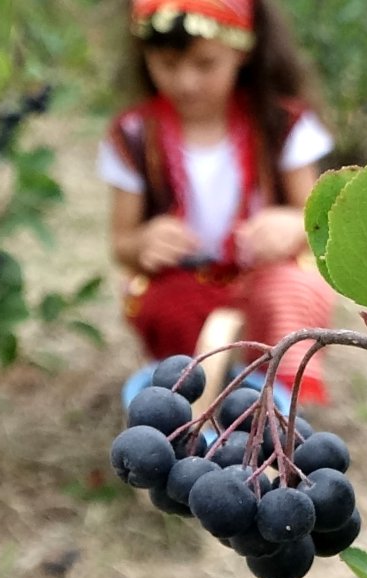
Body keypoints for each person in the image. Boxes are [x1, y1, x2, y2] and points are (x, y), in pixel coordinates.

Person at [97, 0, 336, 407]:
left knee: (290, 290)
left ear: (242, 51)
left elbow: (318, 222)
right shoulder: (134, 135)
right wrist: (144, 243)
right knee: (166, 308)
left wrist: (293, 224)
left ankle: (273, 402)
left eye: (205, 64)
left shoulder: (283, 124)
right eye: (168, 65)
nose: (186, 82)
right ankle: (188, 402)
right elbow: (122, 243)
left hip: (263, 274)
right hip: (185, 282)